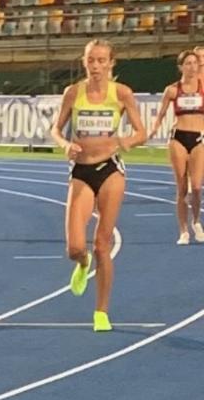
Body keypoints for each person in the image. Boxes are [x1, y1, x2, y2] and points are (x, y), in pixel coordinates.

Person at [51, 39, 146, 332]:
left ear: (111, 64)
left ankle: (101, 312)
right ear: (84, 62)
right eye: (91, 60)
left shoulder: (121, 93)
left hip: (110, 170)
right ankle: (82, 264)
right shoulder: (73, 93)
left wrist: (123, 141)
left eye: (101, 61)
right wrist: (65, 143)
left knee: (103, 244)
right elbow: (55, 128)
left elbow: (141, 132)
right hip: (81, 170)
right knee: (75, 247)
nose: (96, 66)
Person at [148, 48, 204, 244]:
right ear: (181, 67)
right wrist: (154, 129)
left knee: (196, 187)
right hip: (178, 137)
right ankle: (183, 231)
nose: (192, 67)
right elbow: (161, 114)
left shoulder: (203, 87)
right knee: (181, 188)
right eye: (188, 63)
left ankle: (196, 221)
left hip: (199, 138)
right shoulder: (172, 90)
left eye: (195, 63)